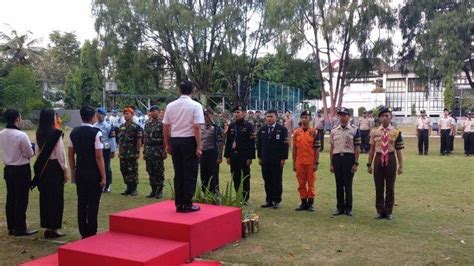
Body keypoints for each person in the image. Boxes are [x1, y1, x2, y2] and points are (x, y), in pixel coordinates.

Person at [163, 80, 204, 212]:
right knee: (190, 173)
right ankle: (187, 203)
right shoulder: (195, 106)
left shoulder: (170, 106)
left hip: (175, 140)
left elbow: (165, 127)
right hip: (189, 140)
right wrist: (199, 146)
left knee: (179, 172)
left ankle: (179, 202)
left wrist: (167, 143)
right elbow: (197, 127)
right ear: (192, 91)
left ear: (179, 91)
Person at [68, 105, 106, 238]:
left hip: (80, 170)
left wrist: (73, 171)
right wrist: (104, 176)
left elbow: (71, 155)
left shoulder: (73, 132)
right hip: (93, 172)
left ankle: (83, 230)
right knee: (93, 203)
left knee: (82, 202)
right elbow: (99, 156)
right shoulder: (97, 133)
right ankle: (92, 230)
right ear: (92, 117)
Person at [0, 109, 37, 236]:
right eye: (20, 118)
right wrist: (33, 149)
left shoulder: (2, 133)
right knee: (21, 199)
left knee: (11, 198)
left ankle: (11, 226)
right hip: (21, 169)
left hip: (8, 169)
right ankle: (20, 227)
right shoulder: (21, 135)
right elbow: (29, 153)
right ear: (17, 119)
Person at [35, 109, 67, 238]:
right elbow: (60, 155)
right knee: (56, 198)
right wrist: (65, 170)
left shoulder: (39, 133)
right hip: (54, 167)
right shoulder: (55, 134)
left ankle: (47, 226)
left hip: (43, 168)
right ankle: (54, 228)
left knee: (45, 198)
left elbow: (37, 152)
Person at [367, 106, 404, 220]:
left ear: (390, 117)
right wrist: (369, 164)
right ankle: (379, 211)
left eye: (387, 116)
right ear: (379, 118)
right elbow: (372, 149)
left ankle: (388, 211)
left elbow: (398, 150)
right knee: (378, 186)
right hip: (378, 159)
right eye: (382, 116)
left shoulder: (396, 132)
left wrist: (400, 165)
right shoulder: (374, 132)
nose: (384, 118)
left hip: (390, 158)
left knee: (390, 186)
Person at [329, 107, 361, 216]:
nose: (342, 117)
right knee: (339, 184)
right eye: (340, 115)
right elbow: (332, 148)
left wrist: (356, 163)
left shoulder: (354, 130)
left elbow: (357, 148)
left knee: (348, 185)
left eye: (344, 115)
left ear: (349, 116)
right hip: (337, 158)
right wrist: (331, 163)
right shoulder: (334, 130)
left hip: (349, 158)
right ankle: (340, 208)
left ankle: (348, 208)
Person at [257, 110, 289, 209]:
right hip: (265, 159)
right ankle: (269, 200)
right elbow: (259, 145)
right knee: (267, 180)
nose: (269, 118)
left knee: (277, 180)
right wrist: (259, 157)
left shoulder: (282, 129)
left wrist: (283, 158)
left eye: (271, 116)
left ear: (276, 117)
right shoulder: (262, 129)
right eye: (267, 117)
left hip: (277, 160)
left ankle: (276, 200)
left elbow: (285, 145)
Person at [224, 105, 256, 203]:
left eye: (238, 112)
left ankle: (245, 197)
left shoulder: (249, 126)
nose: (236, 114)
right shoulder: (232, 126)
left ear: (244, 113)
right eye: (235, 112)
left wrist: (250, 157)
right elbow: (229, 142)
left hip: (244, 155)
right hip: (234, 155)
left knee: (245, 176)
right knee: (235, 176)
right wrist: (227, 156)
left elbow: (252, 143)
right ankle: (238, 195)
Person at [292, 111, 320, 212]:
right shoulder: (296, 132)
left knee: (311, 183)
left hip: (310, 162)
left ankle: (310, 203)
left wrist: (316, 163)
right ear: (300, 119)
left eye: (306, 117)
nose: (304, 119)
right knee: (301, 183)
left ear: (310, 119)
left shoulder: (314, 132)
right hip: (300, 162)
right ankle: (303, 202)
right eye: (302, 117)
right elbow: (294, 149)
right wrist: (294, 163)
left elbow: (317, 149)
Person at [117, 107, 143, 196]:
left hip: (132, 152)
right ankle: (128, 187)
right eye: (124, 114)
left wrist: (138, 152)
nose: (125, 115)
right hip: (123, 153)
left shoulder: (136, 127)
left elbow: (139, 140)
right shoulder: (121, 127)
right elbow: (120, 141)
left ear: (132, 115)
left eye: (127, 113)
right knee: (123, 169)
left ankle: (134, 189)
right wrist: (119, 152)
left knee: (132, 170)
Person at [143, 105, 167, 198]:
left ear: (159, 112)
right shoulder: (147, 124)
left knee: (159, 171)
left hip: (158, 150)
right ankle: (153, 189)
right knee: (150, 170)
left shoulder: (162, 124)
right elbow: (145, 138)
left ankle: (159, 190)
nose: (153, 113)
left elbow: (165, 138)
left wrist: (164, 151)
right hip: (149, 150)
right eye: (151, 111)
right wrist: (144, 151)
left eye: (155, 111)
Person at [200, 108, 225, 193]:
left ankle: (214, 192)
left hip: (212, 153)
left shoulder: (216, 128)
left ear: (211, 116)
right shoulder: (200, 126)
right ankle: (204, 192)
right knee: (203, 173)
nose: (206, 117)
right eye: (204, 115)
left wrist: (219, 156)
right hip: (203, 153)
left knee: (213, 174)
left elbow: (221, 143)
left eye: (207, 115)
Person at [95, 108, 117, 193]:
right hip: (98, 149)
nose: (99, 116)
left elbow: (112, 139)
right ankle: (100, 184)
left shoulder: (108, 126)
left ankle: (108, 185)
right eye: (97, 114)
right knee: (98, 167)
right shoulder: (95, 125)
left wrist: (113, 150)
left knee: (106, 167)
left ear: (104, 116)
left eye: (101, 114)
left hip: (106, 149)